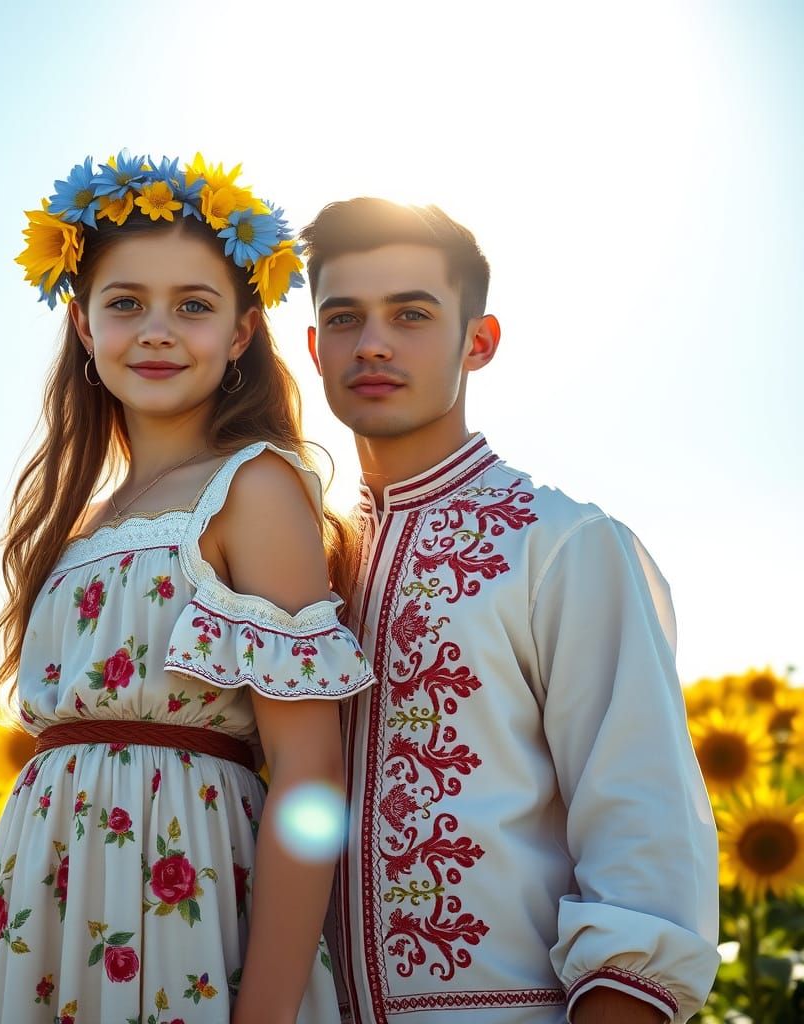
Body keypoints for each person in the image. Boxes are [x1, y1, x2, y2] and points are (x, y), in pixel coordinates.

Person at [0, 152, 375, 1024]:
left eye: (193, 305)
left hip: (177, 896)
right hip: (45, 900)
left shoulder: (253, 487)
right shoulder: (78, 523)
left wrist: (263, 1012)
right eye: (125, 303)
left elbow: (309, 769)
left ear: (241, 333)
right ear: (81, 327)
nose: (156, 329)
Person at [300, 198, 719, 1024]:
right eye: (345, 318)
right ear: (314, 348)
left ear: (478, 342)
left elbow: (644, 837)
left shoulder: (562, 543)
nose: (374, 343)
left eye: (411, 314)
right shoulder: (298, 562)